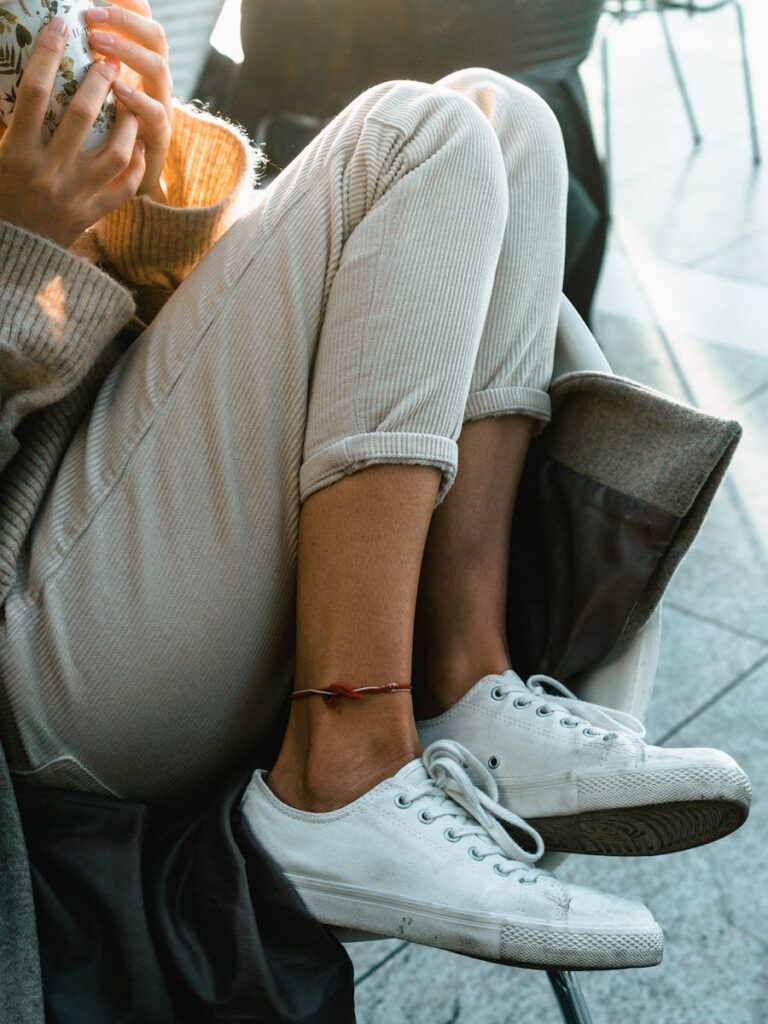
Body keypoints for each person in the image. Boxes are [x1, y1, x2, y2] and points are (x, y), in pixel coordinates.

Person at [0, 0, 750, 977]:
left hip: (106, 503)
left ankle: (464, 680)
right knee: (413, 136)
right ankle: (342, 765)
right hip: (42, 670)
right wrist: (21, 242)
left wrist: (138, 162)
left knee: (505, 119)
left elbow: (129, 308)